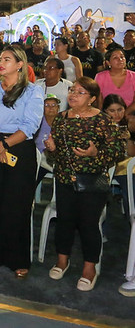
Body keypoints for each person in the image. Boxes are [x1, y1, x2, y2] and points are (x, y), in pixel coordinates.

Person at [44, 77, 125, 291]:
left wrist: (95, 153)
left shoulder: (102, 120)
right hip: (64, 179)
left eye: (80, 92)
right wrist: (52, 149)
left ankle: (90, 268)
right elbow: (54, 158)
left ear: (91, 98)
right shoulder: (61, 119)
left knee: (89, 224)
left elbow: (117, 151)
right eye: (72, 90)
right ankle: (62, 260)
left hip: (92, 182)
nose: (73, 94)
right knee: (64, 222)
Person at [0, 46, 44, 278]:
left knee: (16, 204)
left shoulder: (32, 91)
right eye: (0, 59)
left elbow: (29, 125)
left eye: (7, 59)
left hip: (18, 148)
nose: (1, 63)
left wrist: (4, 145)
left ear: (20, 65)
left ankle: (17, 258)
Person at [95, 47, 135, 114]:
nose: (120, 60)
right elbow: (99, 101)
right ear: (108, 62)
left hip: (130, 114)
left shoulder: (133, 76)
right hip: (108, 115)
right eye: (115, 58)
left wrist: (124, 115)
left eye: (122, 57)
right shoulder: (100, 77)